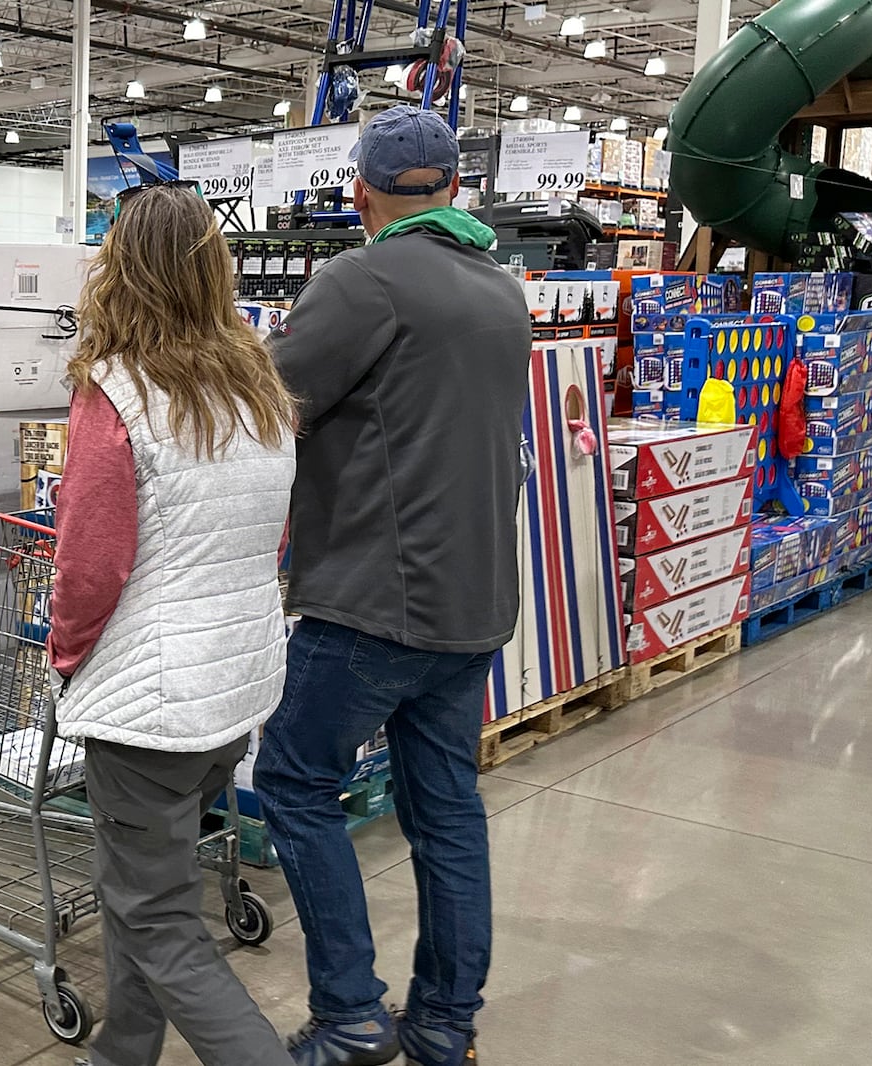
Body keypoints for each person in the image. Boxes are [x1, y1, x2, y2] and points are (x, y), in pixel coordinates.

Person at [254, 106, 533, 1066]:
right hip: (474, 604)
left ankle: (351, 1017)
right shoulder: (504, 289)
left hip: (374, 602)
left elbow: (267, 405)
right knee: (446, 811)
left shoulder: (363, 279)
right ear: (456, 188)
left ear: (363, 192)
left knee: (295, 779)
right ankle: (445, 1024)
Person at [46, 182, 298, 1066]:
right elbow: (277, 532)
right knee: (143, 892)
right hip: (236, 686)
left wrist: (66, 656)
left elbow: (89, 564)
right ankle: (123, 1055)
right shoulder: (258, 384)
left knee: (158, 918)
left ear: (119, 270)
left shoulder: (114, 391)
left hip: (151, 704)